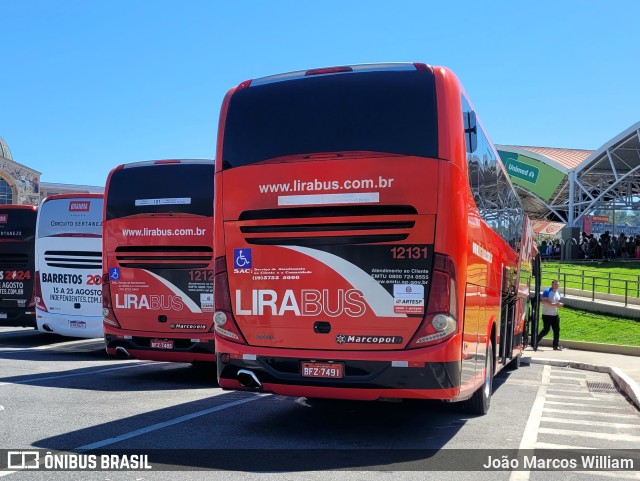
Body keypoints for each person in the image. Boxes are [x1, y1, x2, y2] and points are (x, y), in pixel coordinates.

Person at [537, 280, 563, 350]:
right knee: (546, 330)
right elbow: (544, 301)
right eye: (555, 284)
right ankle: (535, 341)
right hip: (546, 314)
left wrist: (559, 305)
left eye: (557, 285)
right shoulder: (547, 291)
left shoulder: (558, 292)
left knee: (557, 330)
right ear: (552, 284)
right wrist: (554, 304)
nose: (556, 286)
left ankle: (555, 345)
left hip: (555, 315)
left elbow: (558, 302)